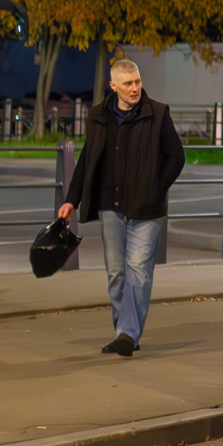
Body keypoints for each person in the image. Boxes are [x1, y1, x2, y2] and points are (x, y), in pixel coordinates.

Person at [60, 59, 185, 357]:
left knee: (138, 270)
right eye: (127, 83)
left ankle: (127, 333)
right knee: (117, 273)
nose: (134, 88)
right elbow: (88, 159)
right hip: (111, 206)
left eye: (137, 81)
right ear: (114, 86)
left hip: (146, 208)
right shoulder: (100, 116)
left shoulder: (157, 113)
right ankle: (125, 333)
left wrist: (155, 189)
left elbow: (176, 157)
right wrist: (70, 200)